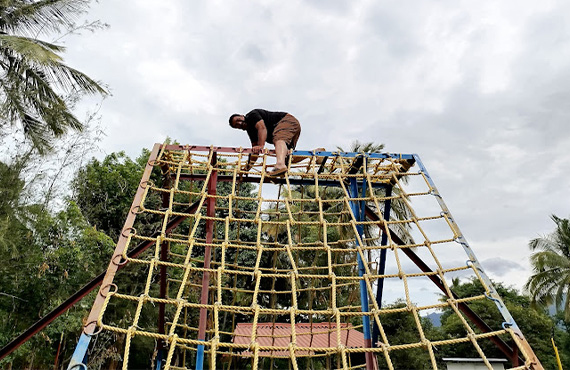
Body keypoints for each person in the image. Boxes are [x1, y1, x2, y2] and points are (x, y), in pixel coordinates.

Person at [229, 109, 301, 176]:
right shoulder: (251, 131)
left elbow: (262, 128)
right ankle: (285, 166)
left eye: (238, 120)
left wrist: (260, 145)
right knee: (287, 154)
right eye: (237, 125)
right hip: (293, 125)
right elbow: (255, 152)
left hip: (286, 121)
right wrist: (247, 168)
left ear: (242, 116)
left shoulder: (251, 116)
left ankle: (280, 165)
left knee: (279, 140)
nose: (239, 123)